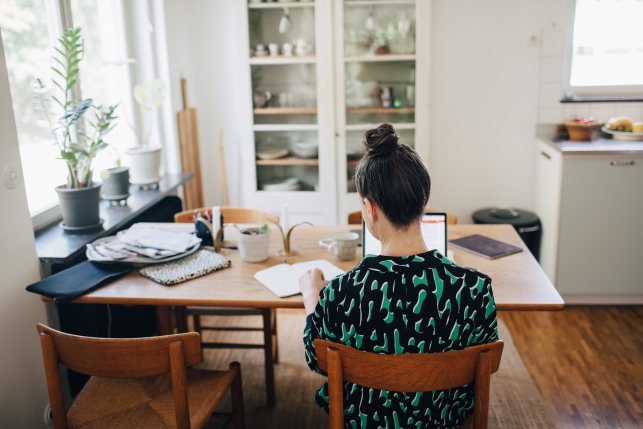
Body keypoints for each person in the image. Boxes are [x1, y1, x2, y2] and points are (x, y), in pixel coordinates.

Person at [300, 124, 499, 429]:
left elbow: (317, 359)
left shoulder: (340, 292)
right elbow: (482, 368)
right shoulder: (474, 287)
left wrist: (313, 297)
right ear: (426, 197)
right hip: (441, 418)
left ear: (370, 209)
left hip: (366, 419)